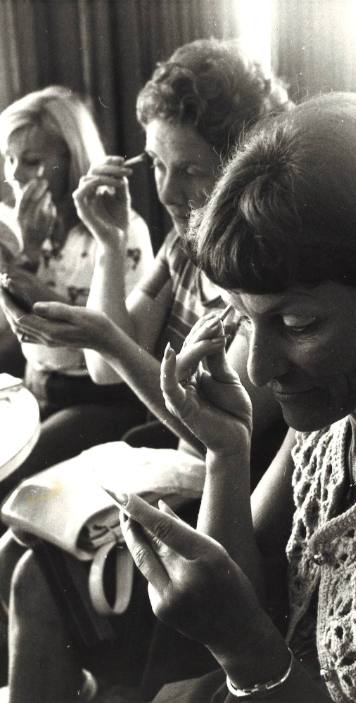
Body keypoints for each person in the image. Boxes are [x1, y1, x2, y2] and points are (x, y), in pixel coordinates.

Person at [117, 93, 356, 703]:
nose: (262, 369)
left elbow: (248, 632)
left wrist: (243, 646)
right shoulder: (337, 410)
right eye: (246, 320)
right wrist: (225, 450)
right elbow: (255, 590)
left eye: (296, 325)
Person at [0, 41, 291, 703]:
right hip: (167, 461)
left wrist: (102, 333)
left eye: (189, 168)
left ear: (245, 160)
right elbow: (106, 366)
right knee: (14, 550)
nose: (166, 189)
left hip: (227, 490)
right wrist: (106, 241)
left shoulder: (267, 272)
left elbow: (216, 428)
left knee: (31, 582)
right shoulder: (185, 242)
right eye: (157, 163)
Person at [0, 85, 153, 491]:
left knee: (10, 484)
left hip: (96, 400)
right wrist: (26, 252)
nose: (14, 174)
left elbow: (112, 350)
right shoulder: (20, 229)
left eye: (32, 161)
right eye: (10, 159)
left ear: (72, 162)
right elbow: (6, 336)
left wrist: (29, 280)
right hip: (33, 385)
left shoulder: (122, 231)